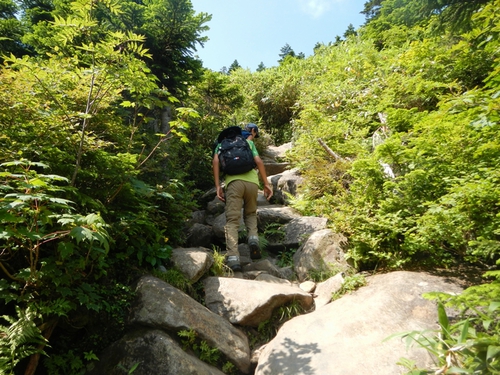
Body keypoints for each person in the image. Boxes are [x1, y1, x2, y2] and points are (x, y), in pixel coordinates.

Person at [212, 123, 273, 272]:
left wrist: (218, 186)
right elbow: (258, 161)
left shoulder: (221, 145)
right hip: (252, 183)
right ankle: (253, 239)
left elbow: (215, 163)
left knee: (232, 221)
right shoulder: (247, 142)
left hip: (234, 183)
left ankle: (233, 258)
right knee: (251, 214)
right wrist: (266, 184)